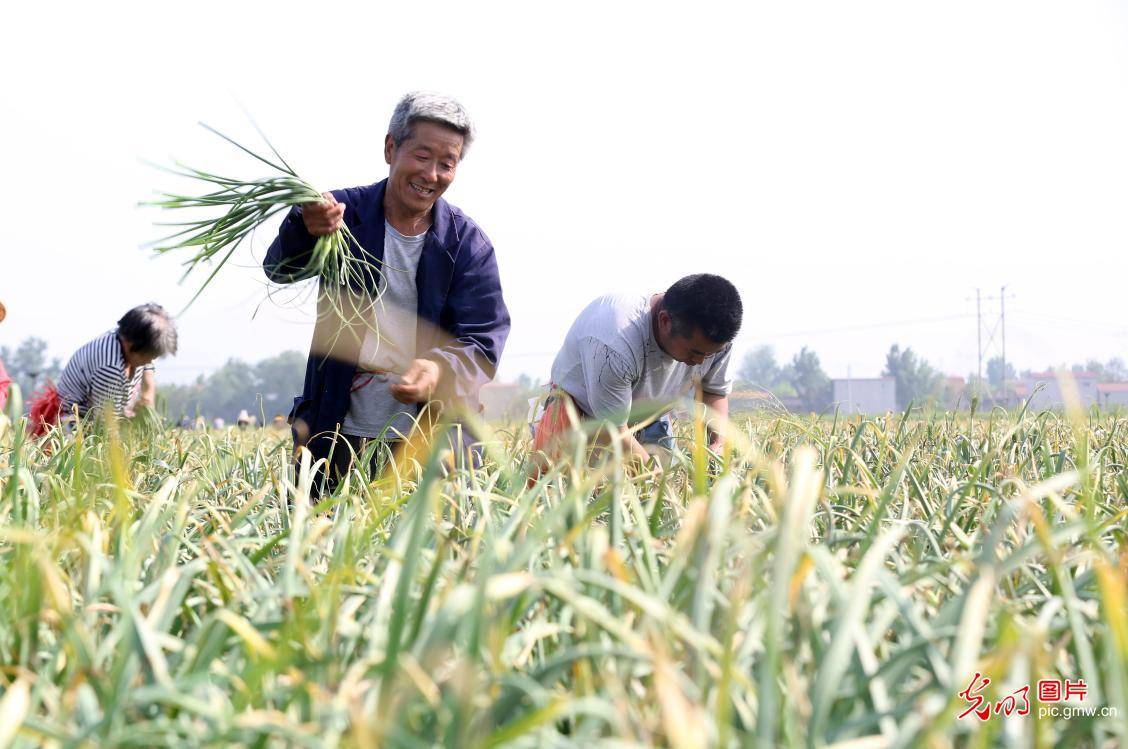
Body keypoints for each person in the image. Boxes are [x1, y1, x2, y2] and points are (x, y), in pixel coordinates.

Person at [264, 92, 509, 488]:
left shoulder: (466, 244)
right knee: (324, 540)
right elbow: (279, 269)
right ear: (391, 147)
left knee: (427, 546)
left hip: (431, 441)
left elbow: (484, 340)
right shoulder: (341, 215)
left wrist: (439, 367)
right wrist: (302, 228)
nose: (432, 174)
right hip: (336, 427)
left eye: (447, 163)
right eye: (422, 156)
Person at [531, 274, 743, 476]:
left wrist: (719, 442)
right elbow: (612, 430)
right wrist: (659, 483)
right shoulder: (614, 341)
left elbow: (713, 391)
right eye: (695, 352)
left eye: (710, 354)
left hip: (650, 416)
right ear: (665, 321)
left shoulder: (715, 337)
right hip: (586, 417)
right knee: (582, 500)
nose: (700, 361)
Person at [28, 303, 178, 434]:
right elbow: (106, 427)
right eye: (150, 355)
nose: (151, 360)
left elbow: (147, 367)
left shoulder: (128, 342)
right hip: (78, 426)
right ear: (130, 344)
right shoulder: (109, 368)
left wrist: (147, 392)